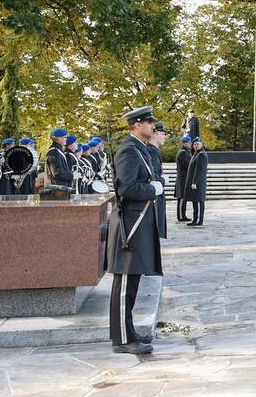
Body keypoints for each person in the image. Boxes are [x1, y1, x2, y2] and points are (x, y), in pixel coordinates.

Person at [105, 106, 164, 355]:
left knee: (134, 280)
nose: (153, 126)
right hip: (131, 224)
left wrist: (154, 184)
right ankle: (121, 340)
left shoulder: (140, 149)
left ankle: (128, 331)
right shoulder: (129, 150)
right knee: (126, 282)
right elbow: (127, 188)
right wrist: (153, 189)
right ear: (137, 125)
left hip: (140, 222)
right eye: (149, 122)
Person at [147, 122, 170, 239]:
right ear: (154, 134)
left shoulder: (153, 150)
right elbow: (153, 176)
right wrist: (162, 179)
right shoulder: (152, 151)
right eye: (163, 133)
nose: (165, 136)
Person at [185, 136, 209, 227]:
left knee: (199, 202)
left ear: (202, 144)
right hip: (196, 182)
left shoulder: (201, 154)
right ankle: (195, 220)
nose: (196, 145)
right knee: (195, 201)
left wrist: (195, 182)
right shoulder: (196, 153)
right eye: (195, 144)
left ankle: (199, 220)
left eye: (198, 144)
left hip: (199, 183)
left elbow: (199, 170)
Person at [175, 136, 192, 221]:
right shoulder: (183, 153)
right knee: (181, 198)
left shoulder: (185, 152)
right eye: (189, 143)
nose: (190, 144)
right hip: (182, 179)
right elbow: (188, 165)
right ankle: (181, 216)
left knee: (183, 198)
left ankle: (183, 215)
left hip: (184, 178)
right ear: (184, 143)